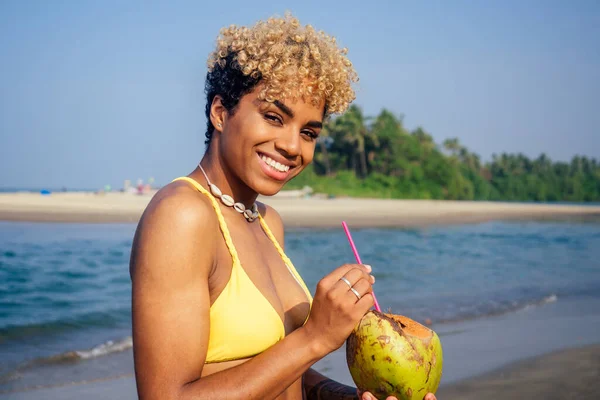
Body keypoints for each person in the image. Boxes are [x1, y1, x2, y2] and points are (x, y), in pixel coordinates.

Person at [130, 13, 437, 400]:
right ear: (221, 112)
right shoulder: (181, 216)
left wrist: (346, 397)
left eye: (309, 132)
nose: (293, 146)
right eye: (274, 117)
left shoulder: (267, 222)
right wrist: (315, 337)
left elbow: (281, 374)